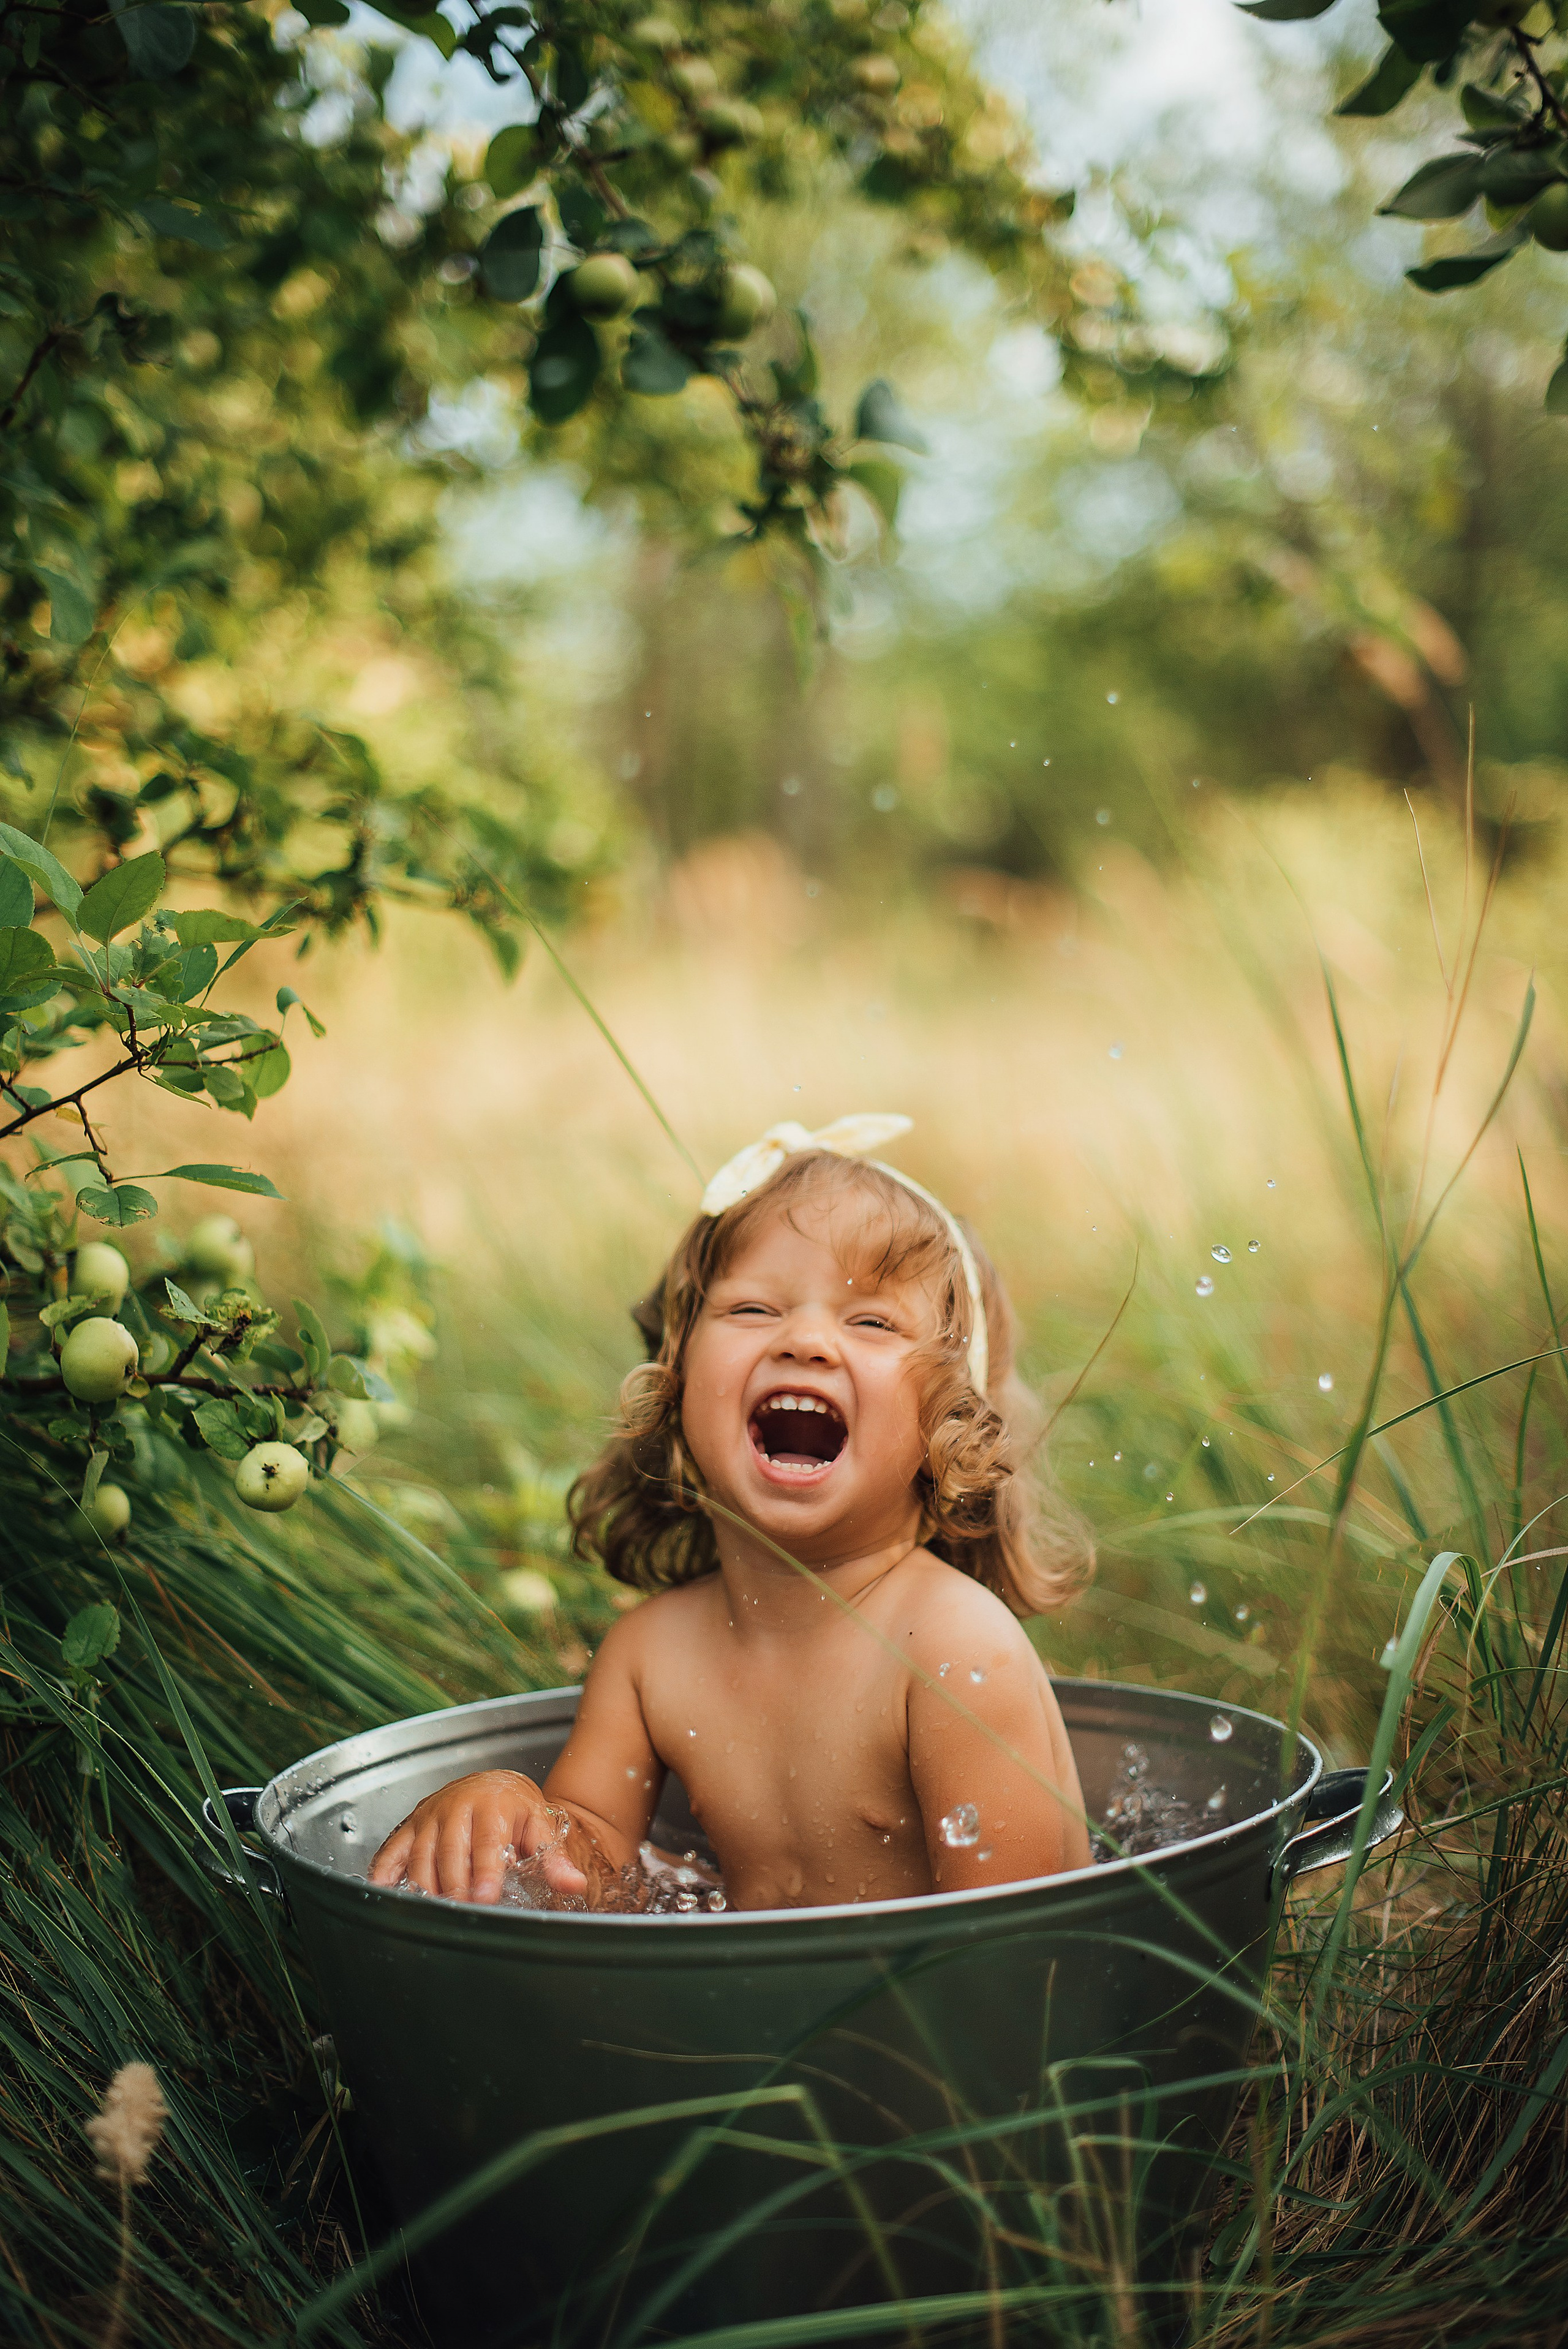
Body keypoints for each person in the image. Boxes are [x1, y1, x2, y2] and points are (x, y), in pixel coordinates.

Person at [369, 1115, 1095, 1911]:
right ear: (676, 1385)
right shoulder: (651, 1656)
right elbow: (594, 1876)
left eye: (872, 1322)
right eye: (753, 1310)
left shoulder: (955, 1650)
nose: (807, 1340)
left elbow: (1018, 1946)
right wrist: (511, 1810)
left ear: (948, 1424)